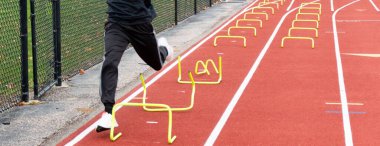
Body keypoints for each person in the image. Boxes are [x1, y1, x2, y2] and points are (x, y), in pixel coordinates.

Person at [96, 0, 174, 132]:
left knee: (157, 64)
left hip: (140, 24)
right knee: (110, 62)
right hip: (116, 24)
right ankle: (108, 112)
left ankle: (164, 49)